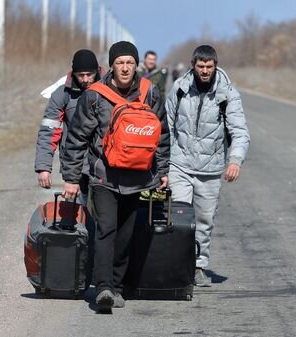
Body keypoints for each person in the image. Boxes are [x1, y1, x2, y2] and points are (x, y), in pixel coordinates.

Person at [61, 41, 169, 311]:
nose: (124, 68)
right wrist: (72, 178)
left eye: (129, 63)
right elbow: (76, 139)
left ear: (136, 65)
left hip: (138, 177)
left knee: (125, 234)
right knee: (106, 229)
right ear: (111, 66)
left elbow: (162, 134)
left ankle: (117, 287)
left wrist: (164, 171)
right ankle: (104, 287)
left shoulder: (149, 92)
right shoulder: (95, 95)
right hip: (103, 176)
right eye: (119, 63)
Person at [165, 45, 250, 287]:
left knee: (204, 221)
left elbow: (240, 131)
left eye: (209, 67)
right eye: (200, 66)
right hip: (179, 164)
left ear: (215, 66)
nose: (204, 71)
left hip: (210, 170)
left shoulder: (228, 94)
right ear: (193, 65)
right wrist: (164, 162)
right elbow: (167, 124)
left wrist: (234, 161)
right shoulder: (180, 89)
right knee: (178, 217)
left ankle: (198, 266)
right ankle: (176, 266)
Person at [34, 49, 101, 204]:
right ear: (73, 73)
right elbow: (49, 131)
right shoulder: (62, 94)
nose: (85, 79)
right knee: (78, 213)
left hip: (105, 162)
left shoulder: (110, 87)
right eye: (80, 75)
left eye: (89, 74)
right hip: (74, 164)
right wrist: (44, 167)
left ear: (97, 71)